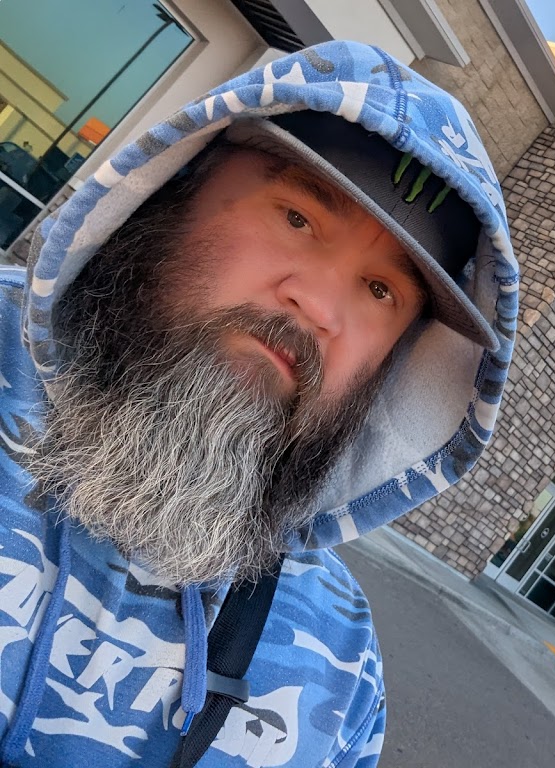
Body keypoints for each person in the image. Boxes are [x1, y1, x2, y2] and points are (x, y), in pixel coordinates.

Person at [0, 40, 517, 767]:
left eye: (380, 291)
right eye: (298, 218)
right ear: (180, 181)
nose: (319, 307)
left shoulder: (342, 668)